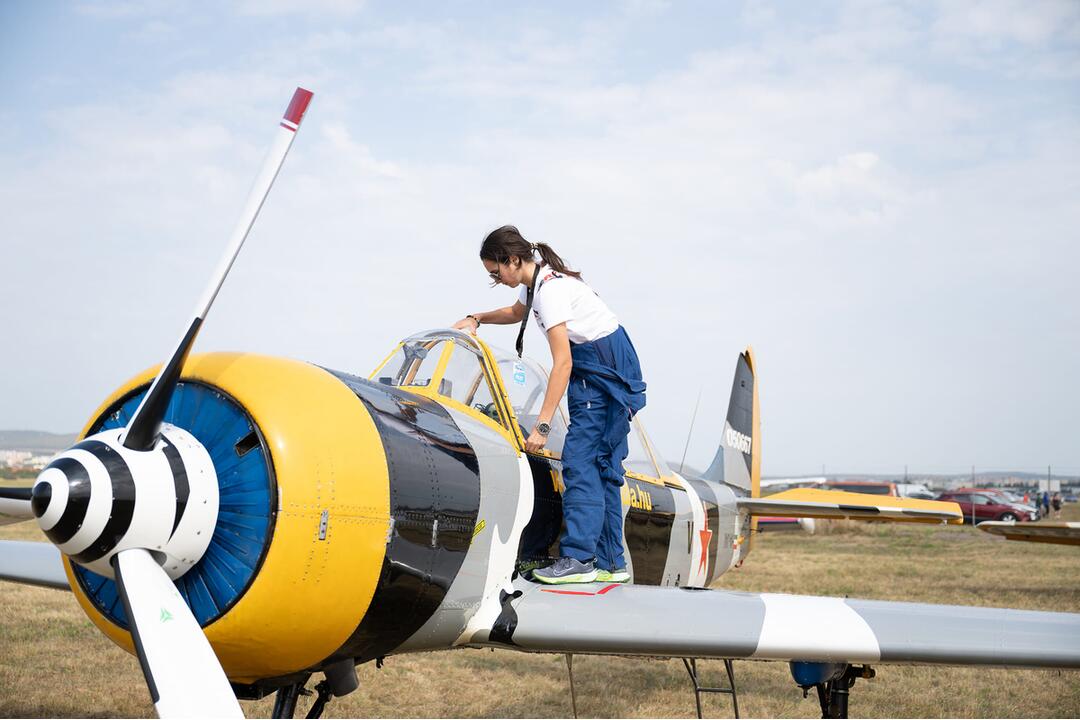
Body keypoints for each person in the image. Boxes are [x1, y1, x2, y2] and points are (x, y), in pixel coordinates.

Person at [453, 225, 646, 585]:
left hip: (601, 372)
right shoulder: (536, 284)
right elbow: (514, 312)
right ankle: (610, 561)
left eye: (496, 273)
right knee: (602, 464)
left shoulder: (550, 292)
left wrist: (542, 426)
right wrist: (477, 318)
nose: (497, 279)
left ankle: (579, 560)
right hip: (606, 367)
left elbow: (563, 362)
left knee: (580, 461)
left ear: (512, 260)